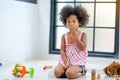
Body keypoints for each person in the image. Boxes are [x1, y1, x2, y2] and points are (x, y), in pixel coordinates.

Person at [54, 4, 89, 79]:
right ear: (65, 23)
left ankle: (82, 71)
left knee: (69, 74)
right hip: (66, 60)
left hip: (78, 62)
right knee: (57, 73)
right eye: (68, 22)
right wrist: (66, 61)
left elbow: (83, 48)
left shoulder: (83, 35)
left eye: (73, 21)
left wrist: (76, 37)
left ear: (79, 22)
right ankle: (67, 71)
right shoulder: (64, 36)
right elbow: (62, 51)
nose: (71, 24)